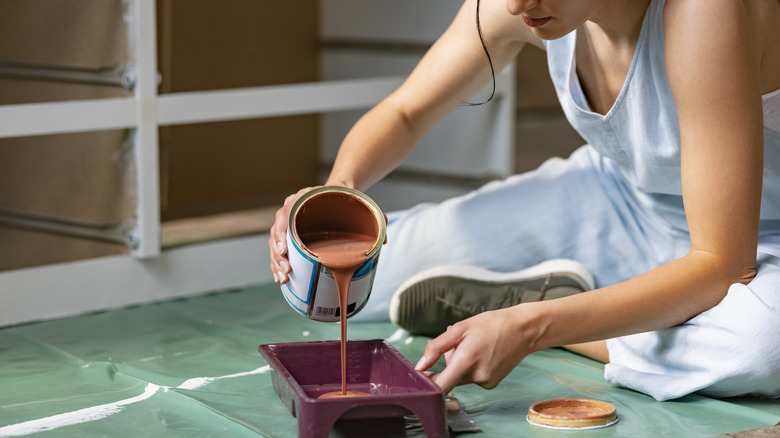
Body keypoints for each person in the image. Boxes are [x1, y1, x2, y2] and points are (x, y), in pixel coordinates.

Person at [269, 0, 780, 401]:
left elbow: (721, 263)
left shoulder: (705, 12)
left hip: (757, 241)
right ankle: (610, 302)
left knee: (759, 346)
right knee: (362, 273)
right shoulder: (523, 5)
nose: (516, 5)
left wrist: (534, 326)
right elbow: (406, 112)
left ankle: (552, 306)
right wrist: (334, 193)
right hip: (620, 198)